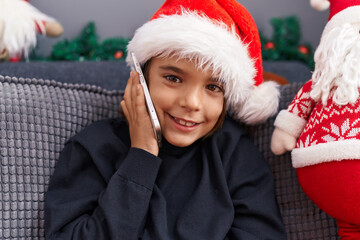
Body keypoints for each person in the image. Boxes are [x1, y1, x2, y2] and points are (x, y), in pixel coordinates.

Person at [44, 0, 286, 239]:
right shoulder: (93, 148)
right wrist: (142, 156)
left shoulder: (234, 153)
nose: (192, 102)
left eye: (213, 87)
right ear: (139, 79)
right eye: (173, 78)